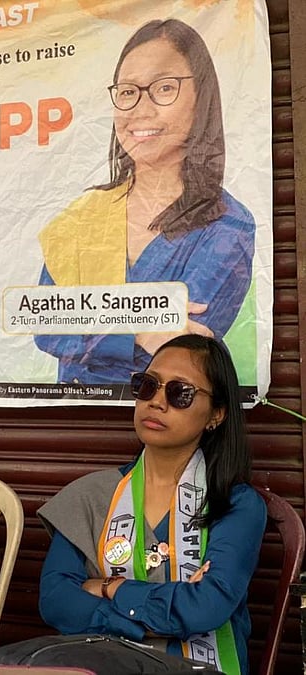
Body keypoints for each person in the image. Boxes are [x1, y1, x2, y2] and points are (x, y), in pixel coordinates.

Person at [34, 19, 255, 384]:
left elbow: (183, 345)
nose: (140, 108)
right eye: (127, 92)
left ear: (202, 99)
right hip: (73, 411)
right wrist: (137, 329)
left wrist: (90, 324)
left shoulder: (227, 225)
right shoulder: (85, 215)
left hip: (166, 409)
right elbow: (46, 325)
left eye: (164, 88)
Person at [36, 334, 266, 674]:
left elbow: (207, 607)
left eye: (180, 392)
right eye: (148, 385)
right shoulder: (90, 495)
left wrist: (107, 587)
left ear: (216, 414)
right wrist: (147, 619)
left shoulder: (235, 505)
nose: (157, 402)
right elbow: (56, 600)